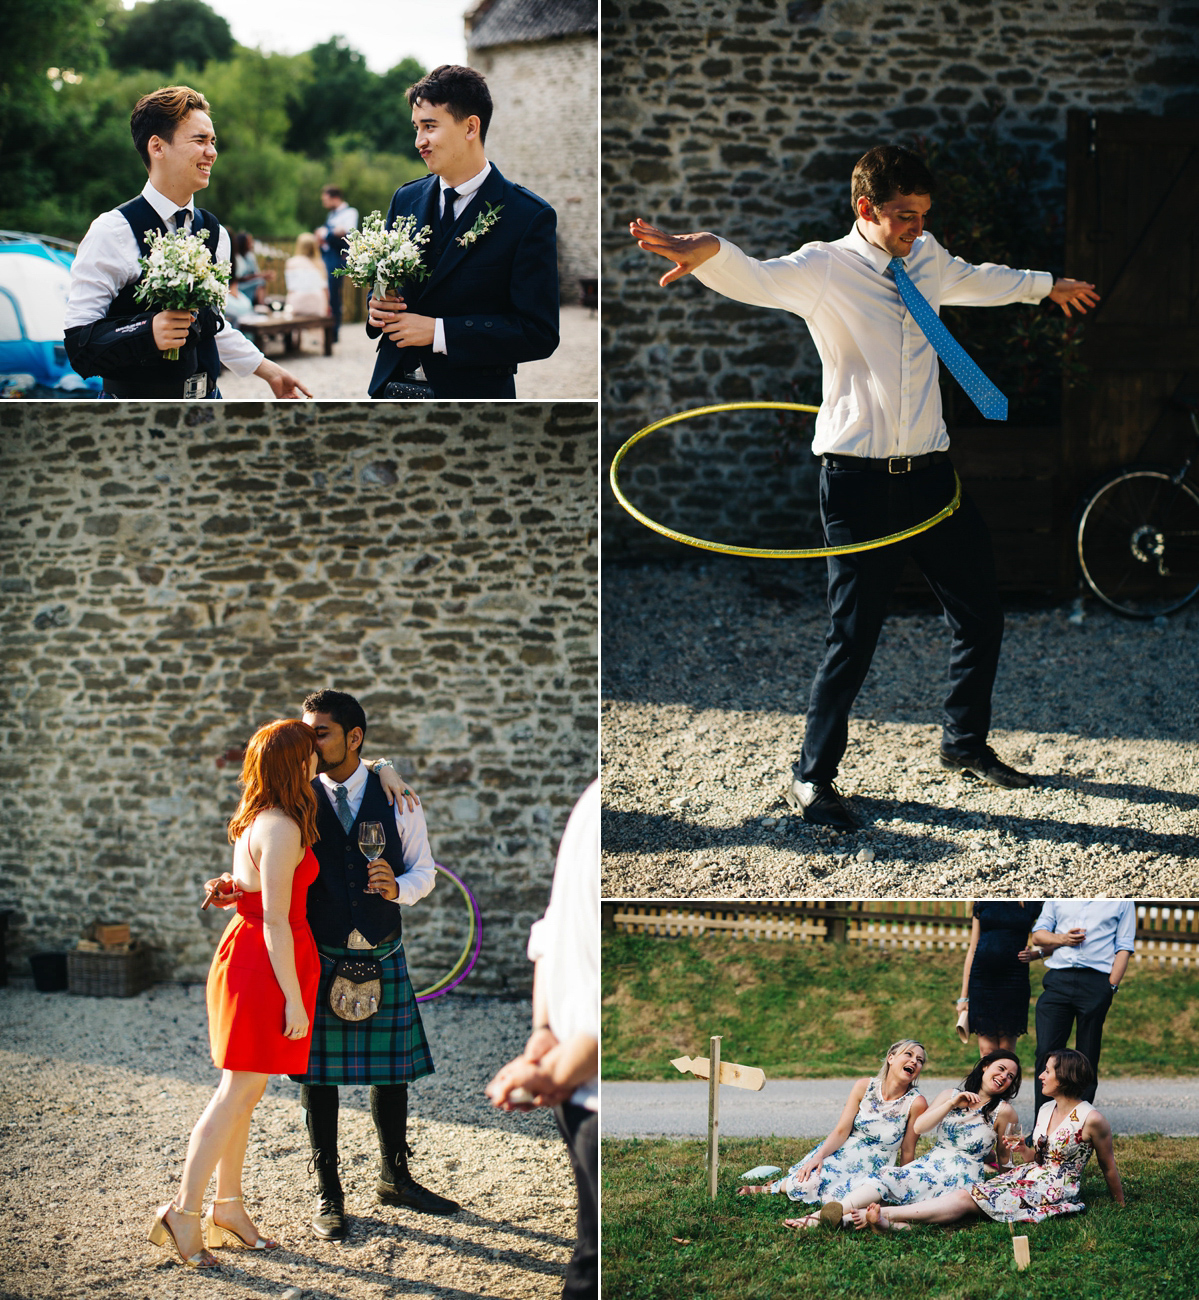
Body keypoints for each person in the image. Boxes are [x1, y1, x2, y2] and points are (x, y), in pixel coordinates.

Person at [630, 145, 1100, 830]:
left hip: (933, 479)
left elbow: (975, 277)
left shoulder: (928, 257)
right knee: (853, 636)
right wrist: (712, 252)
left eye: (923, 216)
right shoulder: (825, 268)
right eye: (904, 217)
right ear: (865, 210)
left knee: (979, 615)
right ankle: (811, 778)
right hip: (858, 484)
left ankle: (963, 746)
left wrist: (1043, 282)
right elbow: (760, 280)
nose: (916, 228)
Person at [148, 719, 322, 1268]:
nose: (317, 759)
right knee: (235, 1095)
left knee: (244, 1093)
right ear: (295, 763)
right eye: (309, 752)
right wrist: (293, 998)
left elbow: (250, 896)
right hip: (265, 965)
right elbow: (274, 919)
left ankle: (229, 1207)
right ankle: (183, 1210)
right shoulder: (280, 827)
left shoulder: (260, 819)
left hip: (254, 955)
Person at [64, 85, 311, 401]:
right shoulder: (111, 232)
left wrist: (269, 371)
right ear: (157, 147)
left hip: (208, 406)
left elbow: (212, 326)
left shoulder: (215, 232)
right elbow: (79, 346)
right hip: (134, 415)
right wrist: (147, 332)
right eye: (199, 140)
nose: (212, 151)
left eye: (213, 141)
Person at [366, 64, 560, 399]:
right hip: (390, 388)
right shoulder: (405, 198)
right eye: (416, 128)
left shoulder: (529, 215)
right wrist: (376, 308)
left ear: (471, 127)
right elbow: (383, 289)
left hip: (473, 400)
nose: (419, 141)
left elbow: (539, 333)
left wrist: (439, 332)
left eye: (429, 127)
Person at [486, 779, 599, 1299]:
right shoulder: (591, 808)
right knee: (595, 1262)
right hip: (586, 1088)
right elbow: (556, 930)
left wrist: (547, 1038)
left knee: (592, 1255)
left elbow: (550, 933)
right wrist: (547, 1039)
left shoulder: (590, 802)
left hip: (578, 1080)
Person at [856, 1049, 1124, 1231]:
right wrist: (1022, 1149)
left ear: (1065, 1076)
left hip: (1056, 1188)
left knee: (967, 1198)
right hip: (1029, 1174)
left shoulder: (1092, 1119)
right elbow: (1038, 1158)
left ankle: (887, 1215)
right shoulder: (1045, 1110)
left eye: (1047, 1071)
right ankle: (886, 1220)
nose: (1041, 1076)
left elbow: (1108, 1165)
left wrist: (1119, 1206)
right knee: (970, 1197)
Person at [813, 1050, 1022, 1230]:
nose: (1004, 1076)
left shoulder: (1004, 1112)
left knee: (928, 1210)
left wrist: (1004, 1191)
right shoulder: (951, 1094)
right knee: (886, 1176)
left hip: (962, 1174)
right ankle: (830, 1213)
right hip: (931, 1164)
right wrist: (951, 1104)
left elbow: (1004, 1157)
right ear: (985, 1066)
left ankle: (849, 1220)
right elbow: (920, 1126)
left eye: (1010, 1076)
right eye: (1001, 1069)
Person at [737, 1039, 927, 1221]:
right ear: (891, 1058)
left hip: (876, 1167)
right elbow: (841, 1131)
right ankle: (775, 1187)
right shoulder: (864, 1087)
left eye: (920, 1061)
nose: (914, 1062)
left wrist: (900, 1187)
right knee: (806, 1183)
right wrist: (818, 1156)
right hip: (844, 1152)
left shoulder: (916, 1103)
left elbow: (908, 1150)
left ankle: (787, 1189)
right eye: (909, 1054)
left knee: (848, 1202)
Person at [1030, 900, 1135, 1114]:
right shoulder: (1057, 896)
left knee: (1087, 1055)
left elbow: (1124, 946)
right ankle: (1043, 1126)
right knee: (1045, 1053)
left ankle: (1079, 1127)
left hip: (1096, 982)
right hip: (1058, 980)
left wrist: (1110, 987)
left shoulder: (1123, 902)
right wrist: (1063, 939)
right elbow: (1038, 935)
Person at [956, 900, 1042, 1055]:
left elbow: (1055, 935)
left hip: (1014, 980)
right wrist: (963, 997)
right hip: (982, 980)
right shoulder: (982, 902)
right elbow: (973, 948)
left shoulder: (1032, 903)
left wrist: (1037, 954)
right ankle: (986, 1080)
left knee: (1006, 1049)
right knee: (986, 1050)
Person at [316, 185, 358, 342]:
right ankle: (327, 330)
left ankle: (334, 332)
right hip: (326, 256)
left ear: (335, 198)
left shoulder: (350, 212)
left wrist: (326, 233)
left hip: (337, 258)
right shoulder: (331, 215)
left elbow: (346, 232)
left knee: (334, 294)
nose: (324, 203)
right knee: (325, 292)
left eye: (325, 200)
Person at [285, 233, 332, 318]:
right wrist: (327, 306)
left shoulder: (291, 262)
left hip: (298, 303)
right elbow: (325, 289)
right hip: (317, 303)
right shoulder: (320, 263)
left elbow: (290, 288)